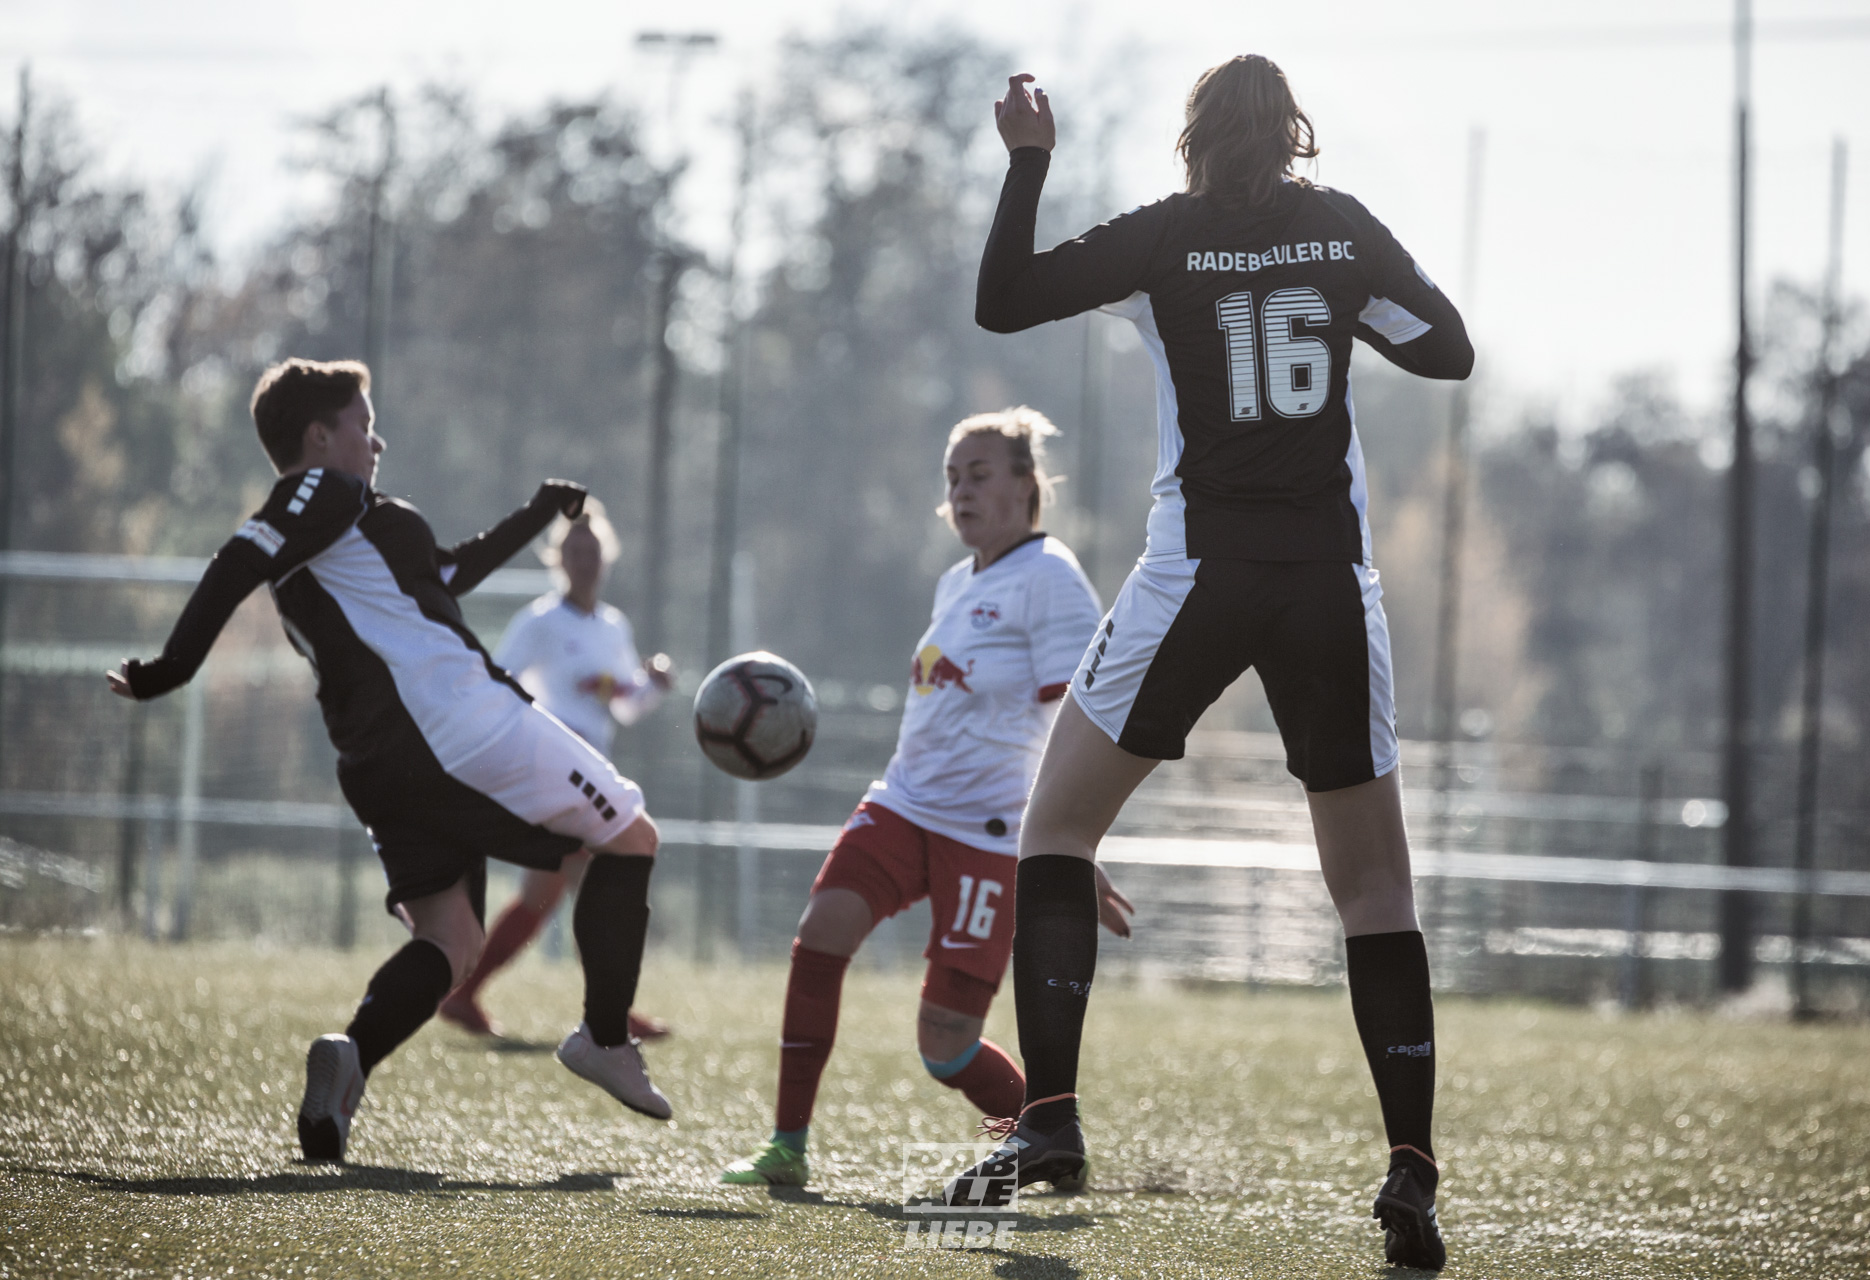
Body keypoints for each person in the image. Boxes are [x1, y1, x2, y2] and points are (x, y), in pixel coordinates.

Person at [944, 59, 1474, 1272]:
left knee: (1058, 834)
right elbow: (1446, 351)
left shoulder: (1168, 239)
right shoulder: (1340, 228)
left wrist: (1030, 158)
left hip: (1199, 574)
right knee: (1375, 895)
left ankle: (1052, 1120)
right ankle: (1411, 1165)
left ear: (1191, 140)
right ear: (1293, 136)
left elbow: (1005, 299)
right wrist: (1350, 291)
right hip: (1329, 583)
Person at [109, 358, 676, 1162]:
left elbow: (449, 572)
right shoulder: (322, 493)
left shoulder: (355, 529)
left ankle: (350, 1060)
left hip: (381, 764)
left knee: (452, 944)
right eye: (363, 426)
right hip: (459, 725)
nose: (377, 442)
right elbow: (240, 557)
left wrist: (536, 512)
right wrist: (171, 669)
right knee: (632, 833)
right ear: (318, 437)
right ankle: (605, 1038)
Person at [720, 408, 1133, 1188]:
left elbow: (1077, 720)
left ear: (1026, 484)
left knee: (945, 1050)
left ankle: (1048, 1135)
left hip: (989, 834)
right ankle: (787, 1147)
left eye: (979, 474)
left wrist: (1075, 844)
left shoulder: (1050, 578)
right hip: (903, 804)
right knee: (819, 936)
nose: (960, 491)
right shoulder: (956, 580)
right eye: (951, 477)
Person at [437, 498, 675, 1041]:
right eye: (573, 550)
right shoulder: (541, 620)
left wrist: (652, 686)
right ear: (558, 559)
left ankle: (465, 994)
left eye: (592, 549)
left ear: (606, 556)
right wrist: (528, 729)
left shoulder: (614, 626)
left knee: (547, 894)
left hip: (593, 772)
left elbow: (625, 705)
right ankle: (610, 1011)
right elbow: (498, 678)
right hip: (554, 773)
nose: (584, 559)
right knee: (601, 879)